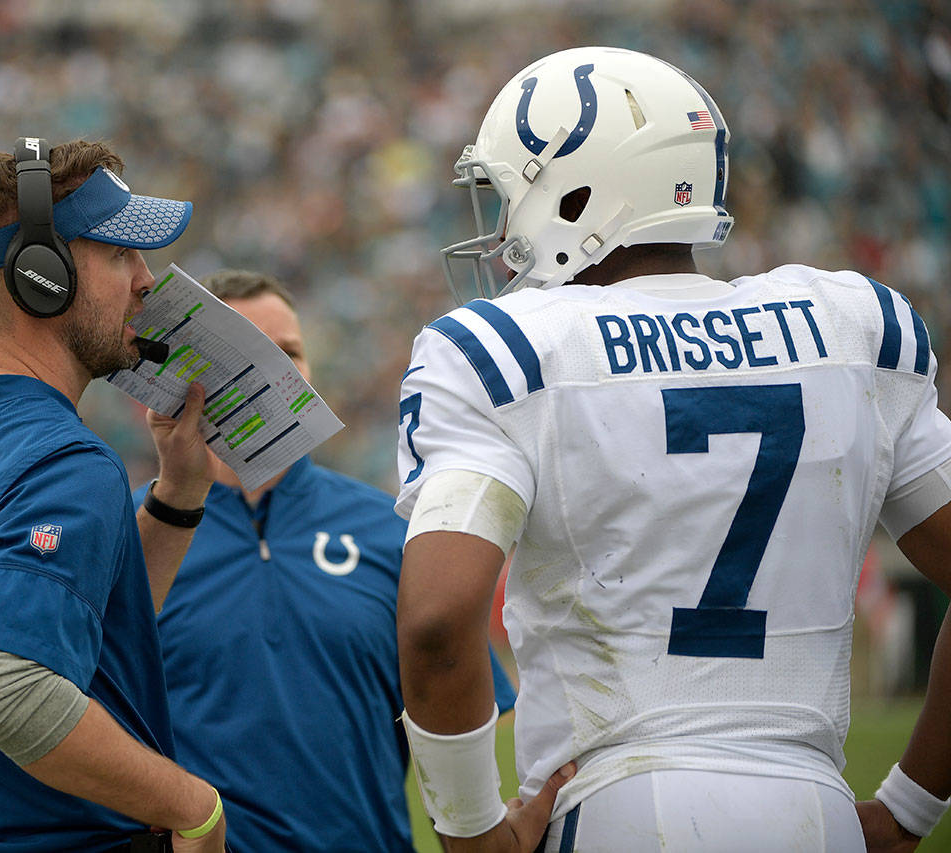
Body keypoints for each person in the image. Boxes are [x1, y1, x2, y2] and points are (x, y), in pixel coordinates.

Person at [394, 46, 951, 853]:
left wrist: (474, 835)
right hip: (815, 809)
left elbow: (440, 621)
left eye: (512, 196)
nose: (505, 229)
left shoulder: (509, 349)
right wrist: (909, 806)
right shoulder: (852, 325)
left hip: (621, 803)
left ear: (579, 195)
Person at [0, 138, 226, 851]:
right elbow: (4, 685)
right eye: (120, 253)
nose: (147, 280)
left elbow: (69, 624)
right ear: (41, 276)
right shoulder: (67, 461)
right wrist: (193, 804)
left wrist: (178, 496)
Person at [141, 269, 523, 852]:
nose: (275, 373)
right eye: (247, 354)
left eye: (289, 352)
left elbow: (473, 713)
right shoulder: (138, 538)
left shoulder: (393, 531)